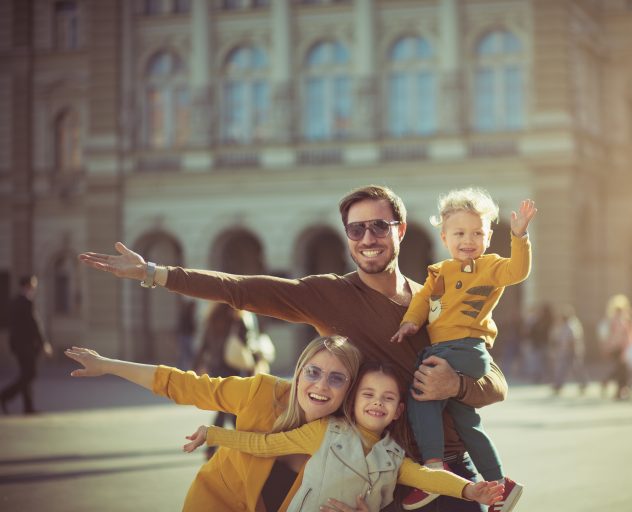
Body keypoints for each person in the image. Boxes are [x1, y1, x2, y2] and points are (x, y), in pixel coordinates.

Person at [79, 185, 509, 512]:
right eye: (356, 229)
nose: (368, 237)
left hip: (450, 465)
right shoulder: (328, 294)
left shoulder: (435, 300)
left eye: (379, 226)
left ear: (401, 229)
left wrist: (456, 385)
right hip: (380, 472)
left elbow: (495, 384)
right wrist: (155, 273)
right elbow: (241, 289)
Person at [65, 335, 363, 512]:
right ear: (298, 373)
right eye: (313, 372)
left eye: (337, 378)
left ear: (350, 389)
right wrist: (108, 366)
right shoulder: (262, 392)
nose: (321, 385)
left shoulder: (351, 442)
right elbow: (186, 385)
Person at [183, 362, 505, 512]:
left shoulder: (394, 457)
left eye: (388, 398)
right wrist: (213, 434)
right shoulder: (324, 431)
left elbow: (428, 477)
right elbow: (264, 445)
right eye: (368, 394)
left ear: (398, 411)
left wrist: (469, 489)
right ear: (352, 402)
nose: (377, 402)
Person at [390, 188, 534, 511]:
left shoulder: (489, 266)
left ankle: (433, 469)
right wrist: (410, 322)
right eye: (459, 233)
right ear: (444, 237)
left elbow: (518, 271)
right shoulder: (439, 272)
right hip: (451, 350)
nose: (468, 240)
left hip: (466, 349)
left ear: (488, 237)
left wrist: (519, 236)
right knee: (466, 424)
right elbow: (421, 300)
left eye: (477, 233)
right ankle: (500, 484)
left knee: (422, 394)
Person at [192, 302, 248, 459]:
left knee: (225, 408)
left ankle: (214, 446)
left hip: (216, 368)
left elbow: (204, 345)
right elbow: (246, 342)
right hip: (233, 369)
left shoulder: (212, 318)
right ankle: (243, 442)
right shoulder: (237, 319)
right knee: (230, 409)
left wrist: (197, 365)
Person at [1, 275, 53, 415]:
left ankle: (28, 407)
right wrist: (44, 343)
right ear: (26, 286)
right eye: (33, 286)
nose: (34, 289)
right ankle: (5, 395)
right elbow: (35, 325)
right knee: (30, 373)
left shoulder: (14, 302)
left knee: (25, 374)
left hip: (18, 345)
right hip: (27, 346)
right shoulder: (27, 302)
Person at [176, 299, 197, 370]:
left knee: (185, 353)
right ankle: (185, 368)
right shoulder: (188, 315)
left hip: (185, 336)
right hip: (187, 336)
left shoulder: (186, 314)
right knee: (187, 353)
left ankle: (185, 368)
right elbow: (191, 326)